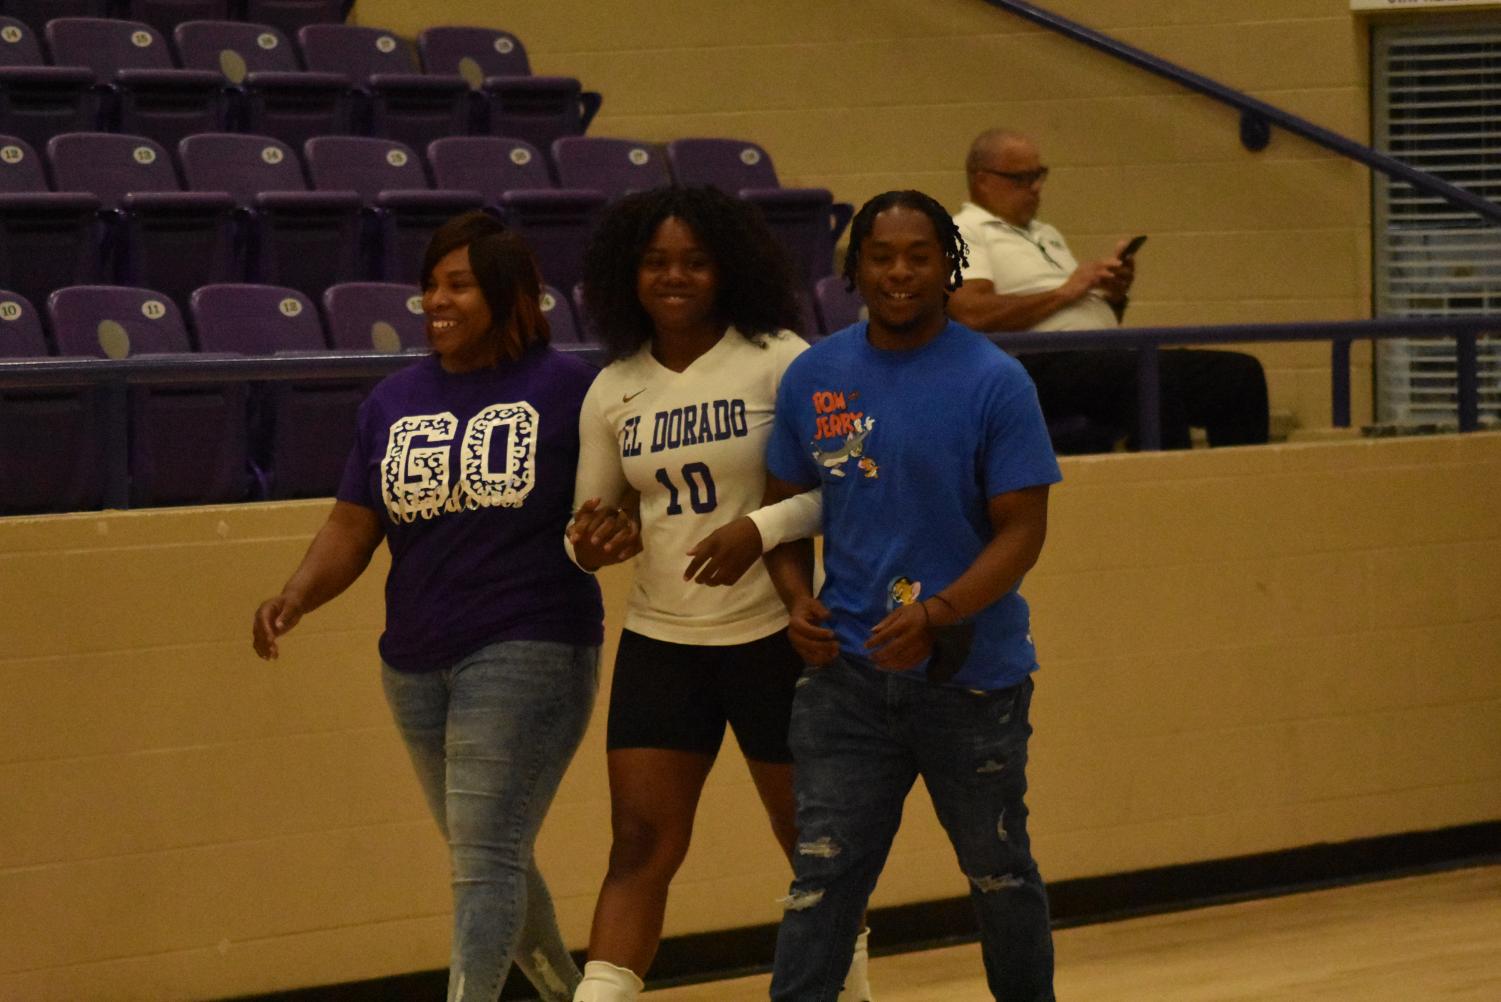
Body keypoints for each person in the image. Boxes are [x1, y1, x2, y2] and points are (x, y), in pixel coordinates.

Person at [251, 211, 602, 1002]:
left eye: (457, 285)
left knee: (482, 861)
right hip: (412, 660)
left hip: (529, 643)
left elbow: (618, 506)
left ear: (508, 293)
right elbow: (354, 521)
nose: (434, 301)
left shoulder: (569, 387)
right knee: (488, 855)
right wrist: (296, 595)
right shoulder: (392, 399)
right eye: (430, 287)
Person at [564, 185, 870, 1002]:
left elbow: (845, 486)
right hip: (662, 642)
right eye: (657, 262)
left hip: (775, 635)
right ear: (627, 275)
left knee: (811, 844)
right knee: (638, 845)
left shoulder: (781, 358)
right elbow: (590, 526)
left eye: (694, 261)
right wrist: (595, 543)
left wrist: (759, 531)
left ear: (726, 269)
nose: (675, 277)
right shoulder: (612, 388)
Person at [760, 190, 1061, 1001]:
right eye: (880, 255)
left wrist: (939, 613)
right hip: (845, 683)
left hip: (970, 679)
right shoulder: (813, 375)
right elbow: (785, 513)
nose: (898, 272)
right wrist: (793, 597)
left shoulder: (995, 381)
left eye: (917, 255)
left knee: (999, 877)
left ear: (947, 265)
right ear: (854, 267)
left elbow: (1022, 531)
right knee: (819, 884)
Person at [947, 128, 1269, 452]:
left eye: (1039, 175)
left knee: (1237, 375)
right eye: (1021, 178)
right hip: (1032, 364)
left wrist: (1113, 296)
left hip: (1098, 356)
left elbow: (1076, 313)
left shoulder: (1046, 234)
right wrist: (1065, 291)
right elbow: (972, 314)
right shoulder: (963, 231)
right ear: (982, 180)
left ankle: (1244, 494)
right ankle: (1170, 492)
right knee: (1148, 376)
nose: (1035, 188)